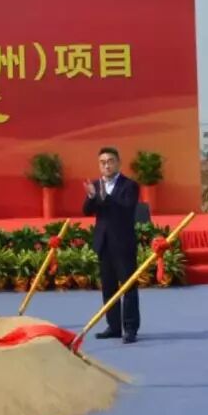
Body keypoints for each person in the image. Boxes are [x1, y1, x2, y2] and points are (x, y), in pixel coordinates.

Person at [83, 147, 141, 343]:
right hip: (104, 243)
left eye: (110, 161)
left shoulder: (129, 185)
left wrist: (103, 197)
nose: (106, 165)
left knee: (128, 287)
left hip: (123, 243)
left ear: (118, 163)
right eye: (103, 162)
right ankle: (114, 326)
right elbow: (86, 211)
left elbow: (126, 208)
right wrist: (91, 197)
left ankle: (130, 328)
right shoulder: (96, 185)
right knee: (108, 287)